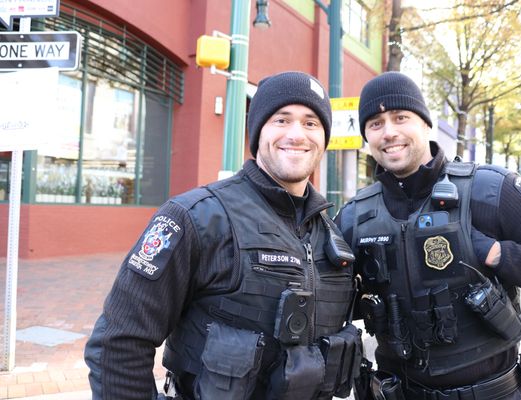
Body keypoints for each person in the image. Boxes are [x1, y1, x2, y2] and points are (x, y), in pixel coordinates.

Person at [84, 71, 363, 400]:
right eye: (282, 119)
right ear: (257, 132)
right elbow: (117, 345)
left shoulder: (331, 236)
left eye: (311, 123)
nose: (296, 134)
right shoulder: (194, 217)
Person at [335, 71, 521, 400]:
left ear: (425, 123)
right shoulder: (354, 216)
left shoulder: (490, 190)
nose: (389, 132)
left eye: (400, 117)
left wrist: (491, 252)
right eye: (375, 123)